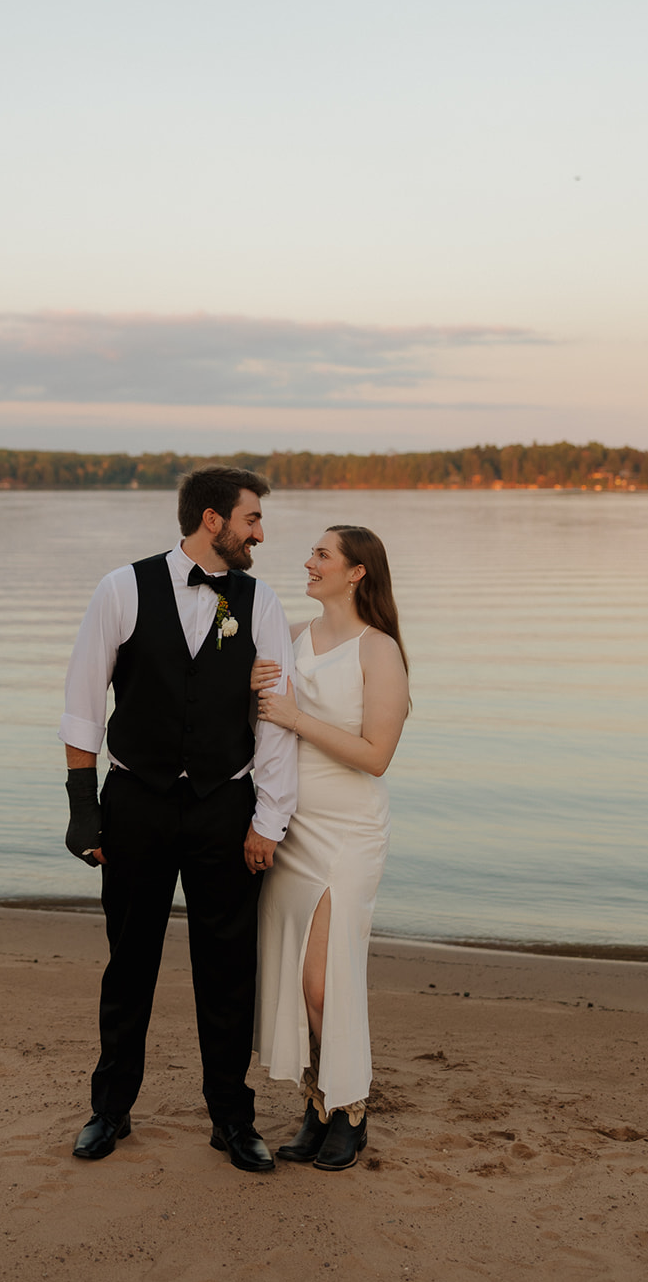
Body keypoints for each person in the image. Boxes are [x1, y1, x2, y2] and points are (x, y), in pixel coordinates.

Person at [60, 465, 298, 1172]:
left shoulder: (260, 602)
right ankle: (110, 1111)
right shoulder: (120, 588)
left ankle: (231, 1119)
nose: (261, 531)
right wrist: (82, 810)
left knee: (227, 970)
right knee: (128, 963)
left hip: (225, 805)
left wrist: (269, 820)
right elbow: (81, 698)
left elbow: (275, 723)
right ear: (211, 520)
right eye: (251, 518)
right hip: (134, 802)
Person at [252, 524, 409, 1171]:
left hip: (347, 832)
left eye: (321, 554)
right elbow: (264, 729)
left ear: (356, 573)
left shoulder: (380, 652)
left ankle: (351, 1108)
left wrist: (293, 717)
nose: (308, 562)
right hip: (293, 828)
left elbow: (375, 757)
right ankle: (318, 1103)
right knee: (298, 980)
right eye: (312, 552)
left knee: (324, 981)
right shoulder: (290, 640)